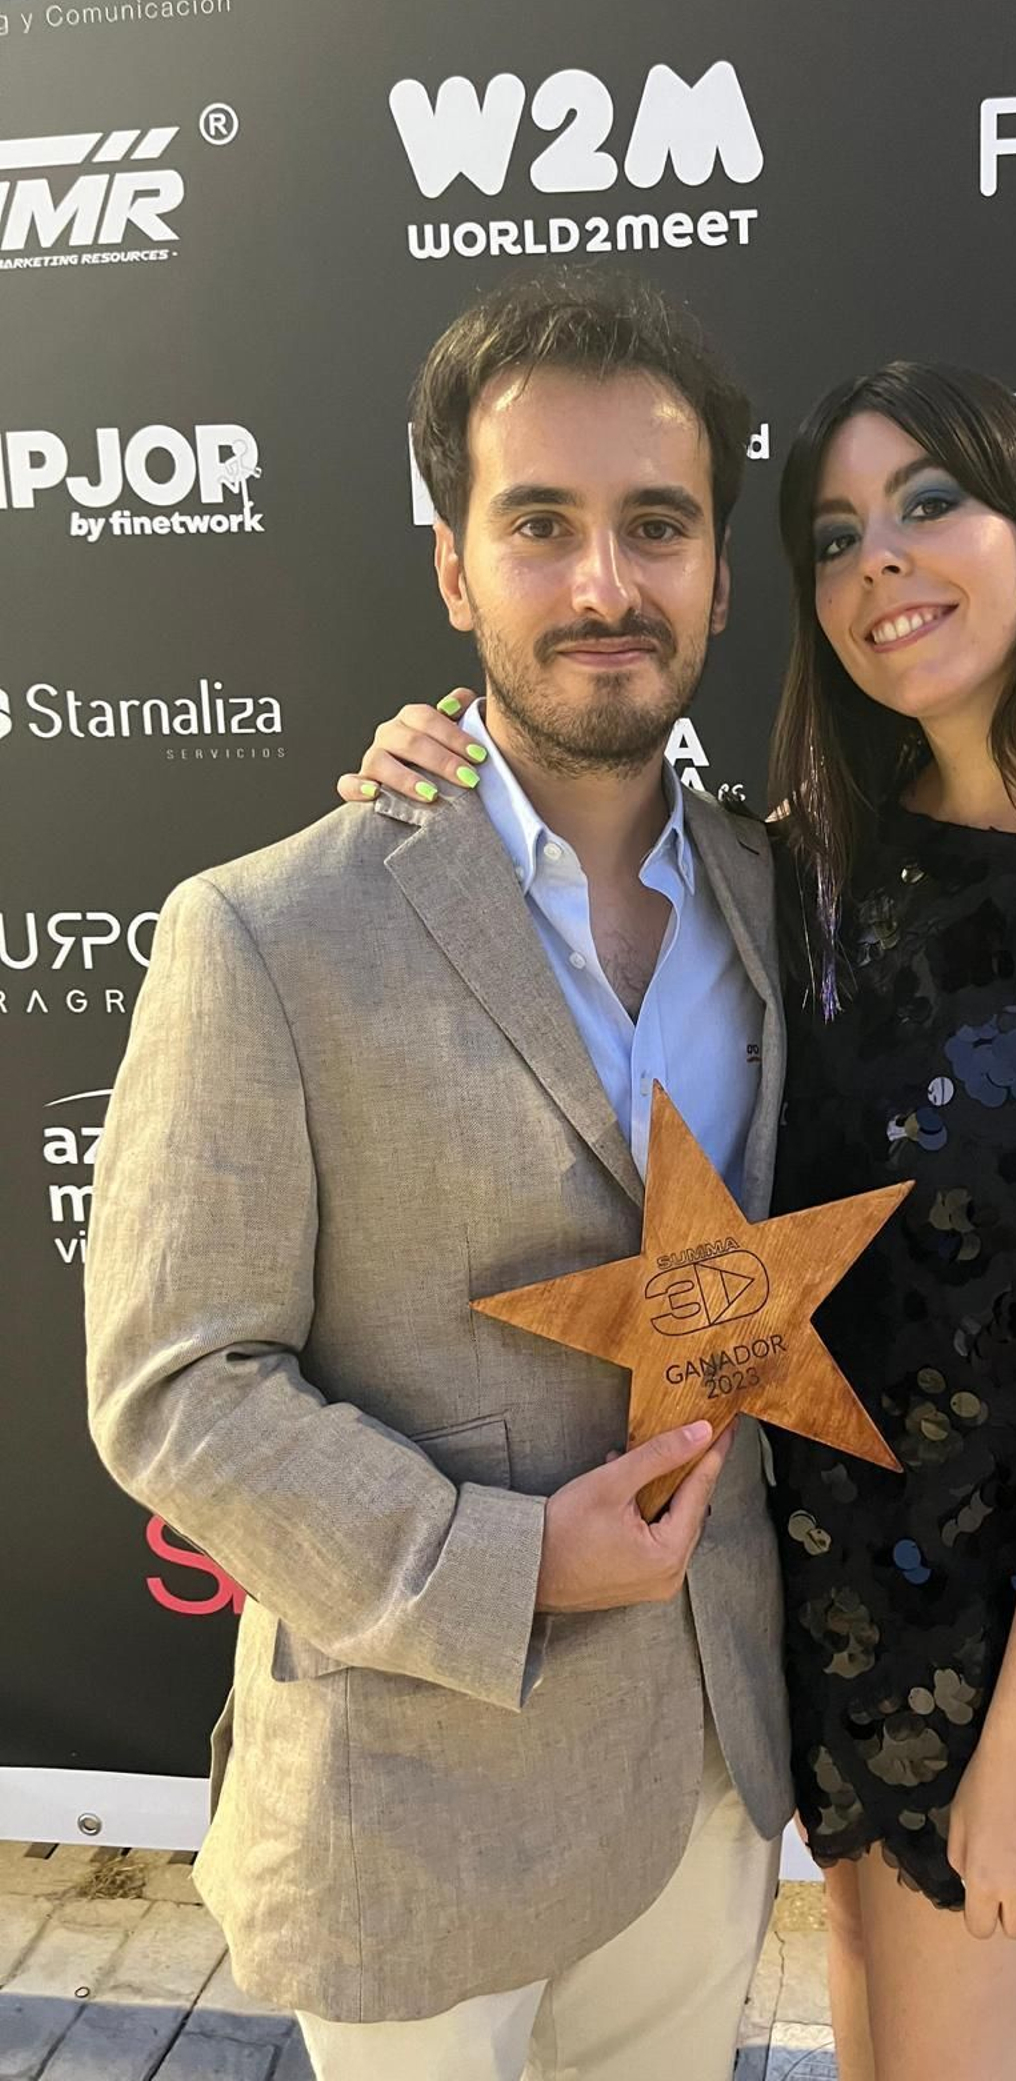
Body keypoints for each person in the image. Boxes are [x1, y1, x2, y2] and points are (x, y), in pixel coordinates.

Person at [338, 348, 1016, 2079]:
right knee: (880, 2045)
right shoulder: (813, 852)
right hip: (800, 1571)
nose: (882, 563)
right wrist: (432, 758)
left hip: (991, 1613)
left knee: (947, 2062)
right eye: (835, 534)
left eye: (930, 503)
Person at [84, 274, 794, 2081]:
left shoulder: (789, 899)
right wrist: (507, 1560)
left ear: (719, 567)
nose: (606, 586)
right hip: (415, 1807)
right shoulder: (268, 930)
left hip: (714, 1776)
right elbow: (178, 1384)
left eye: (659, 526)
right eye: (538, 526)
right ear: (455, 571)